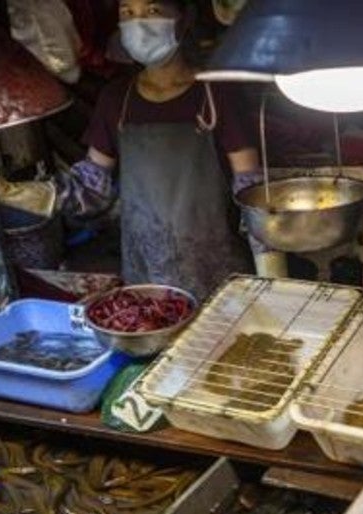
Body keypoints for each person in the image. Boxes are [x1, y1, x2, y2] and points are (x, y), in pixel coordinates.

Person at [58, 0, 278, 299]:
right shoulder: (116, 100)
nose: (139, 24)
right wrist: (38, 196)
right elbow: (92, 192)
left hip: (218, 278)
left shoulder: (217, 93)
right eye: (128, 13)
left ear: (183, 19)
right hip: (144, 280)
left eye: (153, 11)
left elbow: (253, 192)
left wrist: (274, 280)